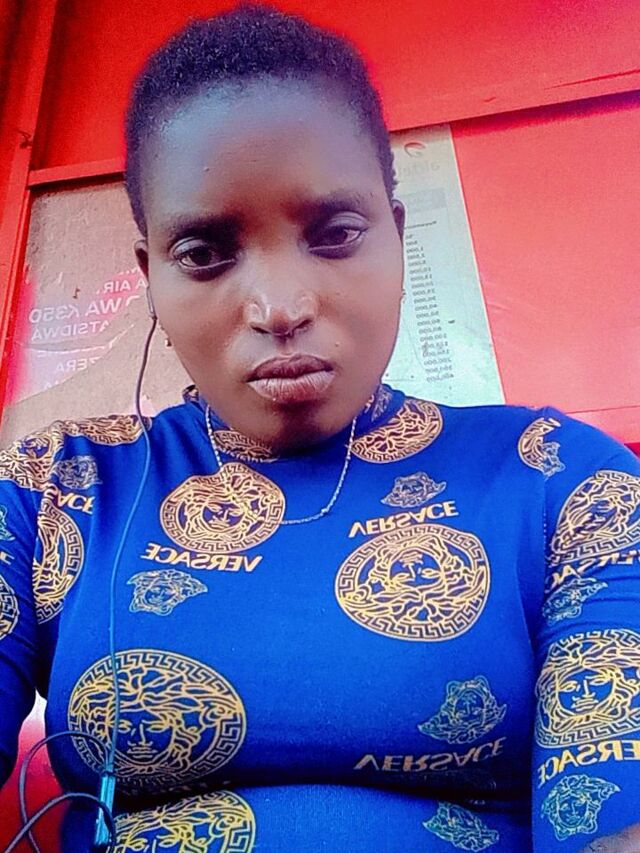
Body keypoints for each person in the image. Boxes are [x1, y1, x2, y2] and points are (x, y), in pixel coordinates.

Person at [1, 5, 640, 851]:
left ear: (397, 238)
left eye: (335, 234)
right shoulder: (57, 490)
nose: (281, 307)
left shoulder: (562, 483)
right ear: (152, 276)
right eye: (205, 253)